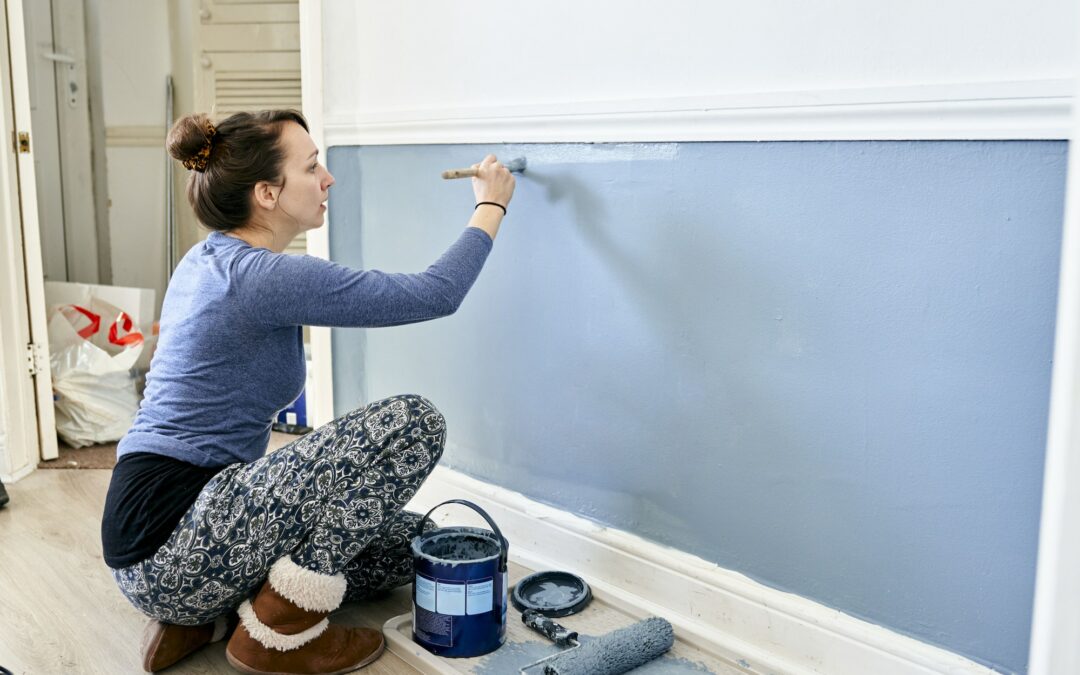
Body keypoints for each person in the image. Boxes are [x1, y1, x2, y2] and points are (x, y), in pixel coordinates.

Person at [100, 109, 514, 674]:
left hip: (169, 544)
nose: (328, 179)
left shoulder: (209, 259)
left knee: (416, 542)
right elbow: (434, 295)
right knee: (415, 423)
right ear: (267, 193)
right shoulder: (262, 277)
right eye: (312, 167)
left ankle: (208, 619)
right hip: (173, 534)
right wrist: (491, 204)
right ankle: (277, 630)